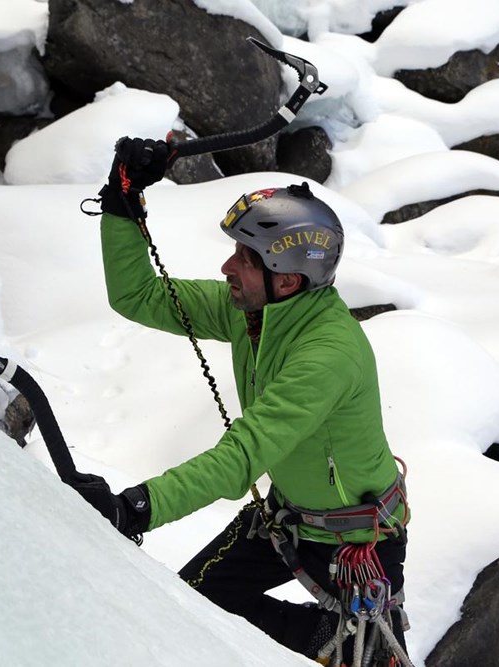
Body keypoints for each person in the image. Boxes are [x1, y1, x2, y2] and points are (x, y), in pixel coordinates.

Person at [76, 137, 409, 662]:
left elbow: (242, 457)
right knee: (190, 606)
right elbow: (137, 296)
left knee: (372, 657)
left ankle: (337, 641)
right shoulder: (250, 313)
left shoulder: (328, 355)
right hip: (286, 519)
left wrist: (137, 507)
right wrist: (122, 200)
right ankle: (329, 637)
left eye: (245, 260)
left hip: (358, 544)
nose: (229, 269)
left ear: (288, 280)